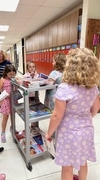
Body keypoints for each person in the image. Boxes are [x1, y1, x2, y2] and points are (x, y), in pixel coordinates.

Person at [45, 48, 100, 180]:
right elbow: (96, 108)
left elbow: (57, 116)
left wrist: (49, 133)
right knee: (82, 161)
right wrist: (84, 118)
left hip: (68, 132)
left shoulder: (65, 88)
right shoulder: (93, 87)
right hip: (86, 129)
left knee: (67, 165)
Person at [0, 64, 16, 143]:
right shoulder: (2, 79)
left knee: (13, 115)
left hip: (13, 100)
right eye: (10, 74)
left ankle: (12, 128)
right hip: (5, 100)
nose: (12, 76)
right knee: (5, 117)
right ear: (6, 73)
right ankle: (3, 132)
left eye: (13, 74)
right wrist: (5, 94)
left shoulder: (14, 79)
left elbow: (16, 88)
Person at [23, 61, 39, 127]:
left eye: (33, 67)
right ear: (27, 68)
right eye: (30, 67)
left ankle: (35, 125)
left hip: (35, 96)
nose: (32, 68)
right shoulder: (25, 75)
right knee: (30, 110)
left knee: (37, 109)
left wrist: (34, 76)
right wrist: (30, 76)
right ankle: (29, 123)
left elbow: (38, 82)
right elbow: (24, 82)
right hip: (28, 96)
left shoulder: (37, 75)